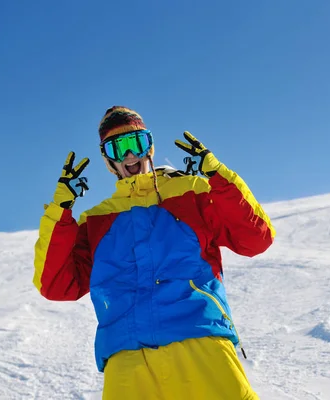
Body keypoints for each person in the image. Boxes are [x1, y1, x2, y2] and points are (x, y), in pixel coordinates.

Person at [33, 106, 275, 399]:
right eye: (117, 147)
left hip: (200, 337)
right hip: (128, 355)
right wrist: (60, 212)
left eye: (135, 143)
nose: (129, 156)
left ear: (150, 146)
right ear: (108, 159)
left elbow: (256, 238)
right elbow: (55, 285)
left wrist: (219, 177)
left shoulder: (193, 194)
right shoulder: (96, 221)